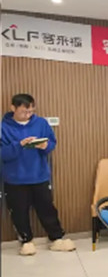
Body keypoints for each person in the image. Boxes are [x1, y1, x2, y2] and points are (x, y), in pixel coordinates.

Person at [1, 93, 76, 255]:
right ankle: (26, 241)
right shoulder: (3, 127)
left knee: (47, 208)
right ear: (13, 108)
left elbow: (52, 143)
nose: (28, 115)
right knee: (19, 211)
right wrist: (19, 145)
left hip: (39, 174)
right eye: (24, 112)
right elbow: (2, 153)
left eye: (31, 111)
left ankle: (57, 238)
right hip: (15, 178)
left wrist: (44, 146)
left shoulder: (41, 123)